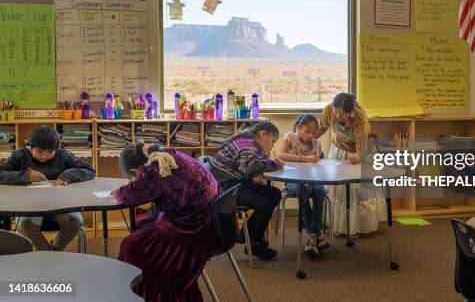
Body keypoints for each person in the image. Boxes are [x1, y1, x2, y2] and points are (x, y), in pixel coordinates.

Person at [114, 142, 219, 302]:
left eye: (133, 178)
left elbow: (128, 196)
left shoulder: (153, 171)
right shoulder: (171, 155)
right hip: (209, 219)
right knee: (142, 225)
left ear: (134, 171)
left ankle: (143, 293)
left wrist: (119, 191)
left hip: (194, 229)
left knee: (130, 245)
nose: (134, 180)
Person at [0, 125, 95, 250]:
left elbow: (90, 171)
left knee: (75, 222)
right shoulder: (20, 155)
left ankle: (54, 250)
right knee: (25, 224)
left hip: (62, 205)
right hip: (29, 206)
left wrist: (67, 175)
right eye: (40, 151)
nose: (44, 156)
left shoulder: (63, 155)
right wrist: (26, 176)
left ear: (57, 149)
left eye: (50, 152)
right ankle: (48, 253)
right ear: (30, 146)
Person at [206, 121, 283, 260]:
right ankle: (255, 244)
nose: (272, 146)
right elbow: (249, 168)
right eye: (272, 141)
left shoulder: (249, 143)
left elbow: (251, 164)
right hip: (228, 189)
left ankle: (245, 235)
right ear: (263, 134)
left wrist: (265, 162)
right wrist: (275, 164)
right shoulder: (246, 145)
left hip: (236, 184)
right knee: (265, 205)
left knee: (275, 194)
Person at [315, 93, 385, 237]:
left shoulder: (361, 121)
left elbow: (361, 149)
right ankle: (338, 225)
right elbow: (321, 128)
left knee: (354, 189)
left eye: (342, 113)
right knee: (338, 188)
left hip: (357, 153)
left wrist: (356, 158)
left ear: (351, 112)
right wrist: (308, 138)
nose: (338, 115)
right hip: (338, 150)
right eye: (336, 111)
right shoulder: (329, 111)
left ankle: (354, 227)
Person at [278, 114, 330, 256]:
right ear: (300, 128)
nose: (310, 136)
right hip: (293, 180)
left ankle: (313, 237)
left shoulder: (316, 143)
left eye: (313, 133)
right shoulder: (290, 138)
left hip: (312, 179)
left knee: (319, 191)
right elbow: (281, 155)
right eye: (307, 131)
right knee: (303, 189)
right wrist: (303, 159)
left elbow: (320, 163)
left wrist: (318, 160)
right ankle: (314, 235)